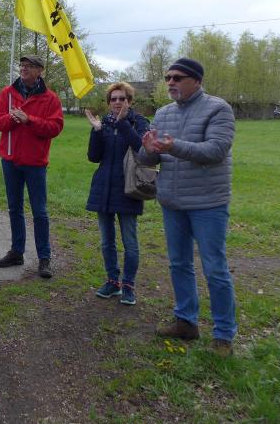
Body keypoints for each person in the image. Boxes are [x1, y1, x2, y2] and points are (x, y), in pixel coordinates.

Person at [138, 57, 237, 357]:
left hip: (208, 202)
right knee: (179, 263)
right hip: (172, 201)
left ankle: (223, 335)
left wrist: (173, 146)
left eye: (178, 78)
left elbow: (216, 150)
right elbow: (149, 158)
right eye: (168, 77)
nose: (171, 82)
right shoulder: (163, 112)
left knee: (214, 268)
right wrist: (148, 150)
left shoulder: (218, 109)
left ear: (197, 81)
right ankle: (186, 322)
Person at [0, 55, 64, 278]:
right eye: (22, 65)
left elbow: (55, 128)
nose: (23, 69)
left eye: (29, 66)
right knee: (14, 208)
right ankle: (17, 252)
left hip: (35, 163)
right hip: (11, 160)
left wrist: (29, 120)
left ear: (40, 70)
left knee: (39, 211)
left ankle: (44, 258)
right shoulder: (8, 93)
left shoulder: (50, 98)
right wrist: (12, 119)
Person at [85, 82, 149, 306]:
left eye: (122, 98)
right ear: (108, 102)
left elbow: (142, 150)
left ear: (130, 101)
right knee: (106, 241)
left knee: (130, 242)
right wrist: (96, 131)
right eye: (113, 99)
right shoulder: (104, 123)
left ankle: (128, 285)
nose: (118, 102)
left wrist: (123, 124)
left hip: (129, 188)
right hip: (104, 188)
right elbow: (94, 157)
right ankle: (113, 281)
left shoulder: (139, 122)